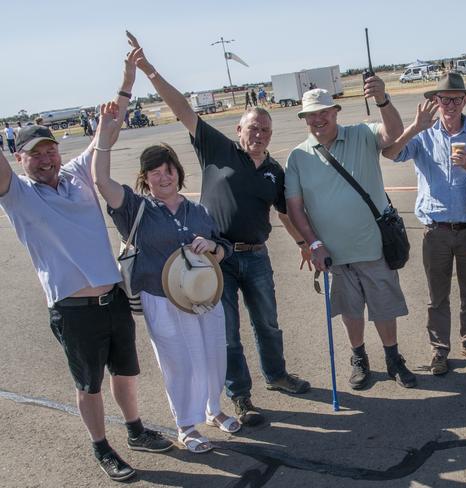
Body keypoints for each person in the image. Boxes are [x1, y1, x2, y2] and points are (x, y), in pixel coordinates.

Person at [0, 52, 172, 483]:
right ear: (19, 158)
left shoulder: (78, 173)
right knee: (89, 384)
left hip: (112, 297)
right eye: (35, 154)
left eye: (50, 151)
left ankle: (134, 430)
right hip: (73, 310)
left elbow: (108, 129)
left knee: (126, 372)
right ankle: (102, 447)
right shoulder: (17, 195)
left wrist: (128, 80)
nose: (45, 160)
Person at [127, 32, 310, 426]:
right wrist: (149, 71)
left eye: (264, 130)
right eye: (251, 129)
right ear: (240, 131)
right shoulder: (217, 149)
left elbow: (283, 212)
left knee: (268, 322)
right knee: (228, 333)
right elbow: (181, 108)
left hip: (256, 256)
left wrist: (304, 242)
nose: (257, 134)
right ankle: (240, 397)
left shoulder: (274, 172)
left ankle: (277, 376)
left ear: (269, 136)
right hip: (215, 258)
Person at [92, 101, 237, 453]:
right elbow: (101, 180)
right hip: (162, 299)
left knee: (214, 354)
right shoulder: (135, 208)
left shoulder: (197, 209)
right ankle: (186, 425)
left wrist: (214, 248)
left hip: (204, 297)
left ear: (178, 172)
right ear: (146, 178)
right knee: (178, 362)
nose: (164, 175)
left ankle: (213, 409)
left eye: (169, 168)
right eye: (155, 171)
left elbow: (223, 247)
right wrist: (104, 136)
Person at [285, 83, 418, 391]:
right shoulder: (297, 157)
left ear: (335, 112)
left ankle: (393, 358)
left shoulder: (362, 134)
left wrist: (382, 99)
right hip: (334, 254)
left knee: (384, 307)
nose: (318, 120)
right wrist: (313, 244)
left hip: (373, 247)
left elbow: (394, 132)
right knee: (350, 310)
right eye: (310, 115)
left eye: (323, 113)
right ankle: (359, 358)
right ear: (305, 119)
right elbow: (295, 209)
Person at [382, 72, 466, 375]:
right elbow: (391, 152)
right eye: (443, 99)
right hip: (437, 231)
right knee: (438, 296)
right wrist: (414, 127)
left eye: (455, 99)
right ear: (435, 101)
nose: (449, 104)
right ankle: (440, 350)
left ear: (465, 100)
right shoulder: (423, 135)